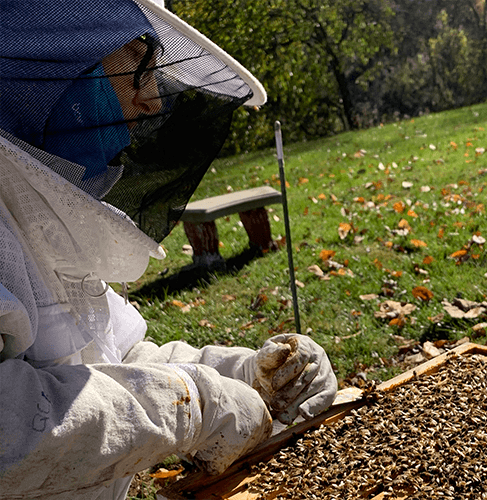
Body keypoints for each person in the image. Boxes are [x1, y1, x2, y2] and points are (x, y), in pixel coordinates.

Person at [0, 1, 338, 499]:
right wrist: (191, 406)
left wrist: (241, 373)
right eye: (138, 68)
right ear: (59, 56)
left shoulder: (37, 208)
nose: (153, 101)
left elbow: (117, 355)